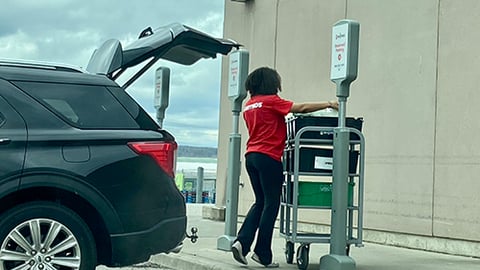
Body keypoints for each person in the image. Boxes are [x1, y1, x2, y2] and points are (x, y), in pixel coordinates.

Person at [231, 66, 339, 268]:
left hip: (251, 156)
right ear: (271, 83)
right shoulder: (271, 101)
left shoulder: (249, 105)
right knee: (272, 203)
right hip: (269, 157)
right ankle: (262, 253)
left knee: (260, 201)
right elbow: (301, 108)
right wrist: (329, 103)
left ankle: (241, 242)